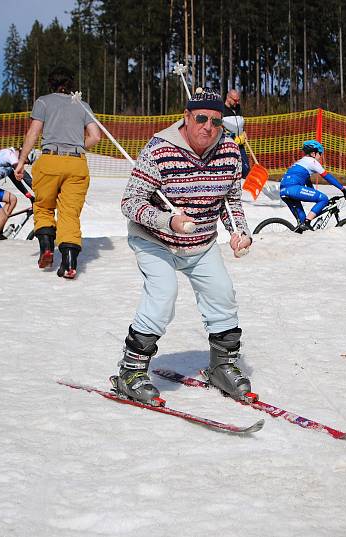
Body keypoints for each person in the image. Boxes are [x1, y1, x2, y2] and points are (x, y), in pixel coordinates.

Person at [114, 88, 253, 406]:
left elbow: (230, 203)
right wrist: (168, 221)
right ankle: (131, 372)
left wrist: (240, 232)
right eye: (201, 118)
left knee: (222, 293)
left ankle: (222, 365)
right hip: (155, 240)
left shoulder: (229, 152)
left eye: (216, 121)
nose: (208, 127)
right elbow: (130, 202)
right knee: (162, 295)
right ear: (187, 117)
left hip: (200, 242)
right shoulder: (159, 149)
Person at [14, 65, 102, 279]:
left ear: (51, 83)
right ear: (71, 84)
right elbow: (96, 136)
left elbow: (34, 132)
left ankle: (46, 248)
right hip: (76, 163)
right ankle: (70, 262)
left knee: (43, 207)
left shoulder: (43, 101)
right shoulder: (82, 104)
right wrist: (78, 145)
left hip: (50, 160)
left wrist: (22, 161)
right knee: (69, 214)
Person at [279, 140, 346, 232]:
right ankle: (307, 222)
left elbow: (307, 180)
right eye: (320, 153)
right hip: (293, 188)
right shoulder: (312, 162)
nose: (320, 156)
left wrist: (314, 195)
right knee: (323, 198)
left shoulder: (300, 161)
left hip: (284, 191)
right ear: (313, 153)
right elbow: (328, 177)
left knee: (302, 227)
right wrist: (343, 190)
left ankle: (303, 228)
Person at [222, 89, 250, 180]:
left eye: (238, 100)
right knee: (232, 170)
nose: (237, 102)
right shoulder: (221, 110)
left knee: (245, 169)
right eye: (235, 100)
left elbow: (240, 124)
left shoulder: (238, 108)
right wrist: (233, 138)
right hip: (228, 147)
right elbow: (221, 130)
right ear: (228, 98)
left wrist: (244, 132)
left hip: (240, 146)